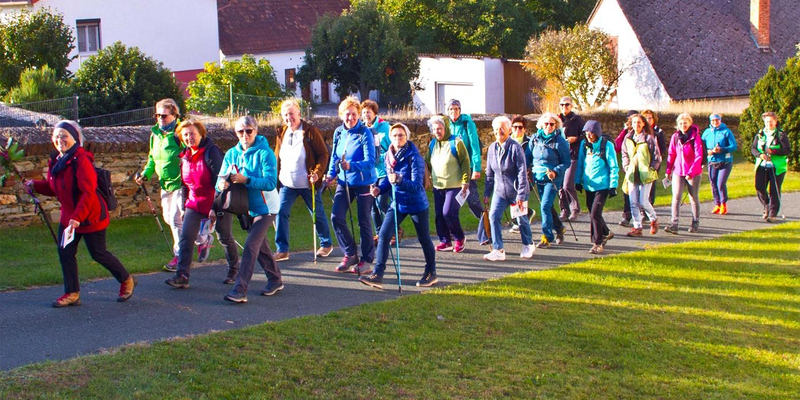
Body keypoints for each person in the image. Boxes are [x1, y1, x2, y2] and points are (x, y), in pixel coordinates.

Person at [27, 120, 135, 307]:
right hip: (69, 217)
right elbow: (55, 188)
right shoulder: (56, 160)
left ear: (75, 138)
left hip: (90, 216)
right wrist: (34, 185)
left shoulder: (81, 159)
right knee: (65, 252)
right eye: (56, 136)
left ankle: (126, 280)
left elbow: (88, 193)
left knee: (98, 253)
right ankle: (72, 293)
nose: (60, 140)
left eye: (64, 136)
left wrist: (77, 218)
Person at [360, 123, 438, 289]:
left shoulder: (414, 157)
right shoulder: (388, 155)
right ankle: (378, 274)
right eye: (394, 135)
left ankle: (431, 273)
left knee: (424, 239)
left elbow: (417, 186)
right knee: (383, 235)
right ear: (390, 137)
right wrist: (379, 189)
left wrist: (400, 180)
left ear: (407, 137)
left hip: (417, 203)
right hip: (398, 203)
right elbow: (389, 180)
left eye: (401, 135)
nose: (397, 138)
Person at [219, 116, 281, 303]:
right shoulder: (231, 153)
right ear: (236, 133)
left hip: (266, 207)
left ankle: (240, 290)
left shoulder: (265, 153)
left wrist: (246, 180)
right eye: (240, 131)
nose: (245, 135)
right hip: (245, 207)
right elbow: (220, 178)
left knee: (251, 245)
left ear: (256, 131)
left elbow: (270, 182)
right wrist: (221, 184)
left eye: (249, 131)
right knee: (261, 247)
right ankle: (275, 279)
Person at [164, 120, 224, 288]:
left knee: (225, 237)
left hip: (213, 202)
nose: (189, 137)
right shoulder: (185, 155)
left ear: (201, 134)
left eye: (192, 134)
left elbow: (220, 182)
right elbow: (185, 184)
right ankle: (182, 276)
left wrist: (215, 207)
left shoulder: (212, 153)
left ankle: (234, 270)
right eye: (185, 135)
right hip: (194, 203)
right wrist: (184, 207)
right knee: (186, 238)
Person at [273, 99, 333, 262]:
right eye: (285, 115)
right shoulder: (281, 132)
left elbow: (323, 154)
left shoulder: (310, 132)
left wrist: (317, 173)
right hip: (287, 183)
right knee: (281, 212)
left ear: (299, 113)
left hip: (308, 183)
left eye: (291, 114)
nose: (289, 117)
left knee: (316, 213)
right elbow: (277, 156)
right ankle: (282, 250)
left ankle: (326, 244)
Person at [326, 96, 377, 274]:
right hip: (344, 181)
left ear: (359, 115)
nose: (351, 118)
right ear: (341, 115)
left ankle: (366, 260)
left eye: (354, 114)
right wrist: (331, 174)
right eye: (347, 114)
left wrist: (351, 166)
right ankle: (350, 253)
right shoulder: (339, 132)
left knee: (364, 221)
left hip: (364, 182)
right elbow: (335, 156)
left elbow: (370, 161)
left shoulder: (365, 132)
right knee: (336, 217)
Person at [135, 98, 184, 271]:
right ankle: (202, 237)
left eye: (164, 115)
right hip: (165, 183)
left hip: (181, 183)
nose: (160, 118)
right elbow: (152, 158)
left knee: (176, 219)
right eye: (157, 115)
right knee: (168, 218)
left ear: (174, 115)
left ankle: (179, 256)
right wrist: (145, 174)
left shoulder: (181, 133)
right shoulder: (155, 134)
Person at [483, 116, 534, 261]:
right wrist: (487, 193)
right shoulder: (492, 148)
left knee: (521, 220)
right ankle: (498, 249)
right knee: (493, 216)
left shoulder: (515, 148)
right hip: (500, 192)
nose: (499, 131)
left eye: (502, 128)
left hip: (516, 191)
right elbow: (489, 173)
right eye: (496, 129)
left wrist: (521, 195)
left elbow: (522, 172)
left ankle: (528, 244)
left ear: (509, 130)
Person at [425, 115, 471, 253]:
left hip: (455, 185)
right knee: (439, 215)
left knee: (448, 212)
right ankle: (445, 241)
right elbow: (427, 162)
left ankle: (459, 238)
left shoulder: (456, 142)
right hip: (438, 186)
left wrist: (465, 181)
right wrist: (426, 177)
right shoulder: (432, 144)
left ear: (446, 128)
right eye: (434, 129)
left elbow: (465, 162)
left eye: (440, 128)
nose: (437, 131)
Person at [446, 99, 487, 244]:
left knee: (473, 202)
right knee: (451, 204)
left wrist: (476, 168)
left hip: (467, 168)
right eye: (451, 109)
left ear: (460, 110)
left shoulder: (467, 123)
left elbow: (475, 146)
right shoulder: (446, 125)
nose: (454, 112)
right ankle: (452, 233)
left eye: (456, 109)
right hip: (452, 170)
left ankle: (487, 229)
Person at [575, 120, 619, 254]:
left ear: (597, 133)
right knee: (593, 213)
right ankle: (606, 232)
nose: (588, 136)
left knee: (595, 213)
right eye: (586, 133)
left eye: (591, 133)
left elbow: (613, 166)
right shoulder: (584, 145)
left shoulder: (607, 146)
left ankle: (597, 242)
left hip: (602, 186)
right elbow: (581, 163)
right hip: (589, 185)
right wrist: (578, 181)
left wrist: (613, 185)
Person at [529, 112, 570, 248]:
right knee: (548, 206)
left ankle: (547, 237)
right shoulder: (535, 139)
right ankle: (559, 228)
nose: (549, 126)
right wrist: (527, 169)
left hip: (553, 179)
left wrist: (555, 171)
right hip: (538, 177)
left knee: (545, 206)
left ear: (556, 126)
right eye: (546, 124)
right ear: (541, 125)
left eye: (552, 124)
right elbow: (528, 156)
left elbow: (566, 162)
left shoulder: (560, 141)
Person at [361, 99, 397, 244]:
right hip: (370, 173)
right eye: (364, 112)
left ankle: (394, 230)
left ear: (375, 113)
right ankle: (380, 234)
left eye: (368, 112)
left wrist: (379, 157)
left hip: (384, 171)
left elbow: (393, 148)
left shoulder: (385, 127)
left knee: (381, 203)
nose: (366, 115)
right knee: (372, 206)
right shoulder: (362, 129)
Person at [620, 113, 661, 236]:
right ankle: (637, 227)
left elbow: (657, 156)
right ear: (631, 124)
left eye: (639, 122)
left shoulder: (648, 138)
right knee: (633, 202)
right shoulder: (628, 138)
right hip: (632, 173)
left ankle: (654, 219)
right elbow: (624, 154)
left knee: (643, 201)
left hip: (645, 174)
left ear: (643, 124)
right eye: (634, 122)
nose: (636, 125)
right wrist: (626, 167)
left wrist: (652, 168)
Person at [664, 113, 703, 234]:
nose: (683, 125)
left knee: (693, 197)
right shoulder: (675, 137)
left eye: (685, 123)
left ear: (690, 123)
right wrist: (668, 170)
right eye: (680, 123)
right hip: (678, 171)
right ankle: (674, 224)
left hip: (693, 172)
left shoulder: (695, 137)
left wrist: (691, 172)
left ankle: (695, 222)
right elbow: (671, 154)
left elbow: (699, 156)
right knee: (676, 197)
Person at [751, 111, 791, 223]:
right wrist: (760, 155)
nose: (769, 124)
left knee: (774, 190)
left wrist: (773, 151)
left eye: (771, 121)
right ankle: (767, 206)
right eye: (767, 122)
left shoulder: (781, 135)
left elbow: (787, 150)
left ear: (775, 121)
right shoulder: (760, 134)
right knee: (759, 187)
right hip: (762, 165)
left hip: (777, 167)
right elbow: (753, 148)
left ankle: (773, 214)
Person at [702, 113, 737, 215]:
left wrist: (722, 149)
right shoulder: (707, 132)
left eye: (717, 120)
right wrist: (707, 151)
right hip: (712, 161)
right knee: (713, 183)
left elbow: (733, 146)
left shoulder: (726, 131)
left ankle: (723, 204)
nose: (715, 122)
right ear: (710, 121)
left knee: (720, 183)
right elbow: (701, 146)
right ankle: (717, 204)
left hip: (725, 161)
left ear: (720, 121)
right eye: (713, 120)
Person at [557, 96, 585, 222]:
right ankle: (564, 210)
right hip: (559, 156)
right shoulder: (556, 120)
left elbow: (585, 135)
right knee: (560, 186)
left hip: (573, 155)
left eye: (567, 104)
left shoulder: (577, 120)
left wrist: (576, 139)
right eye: (562, 105)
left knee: (567, 184)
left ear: (571, 106)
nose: (564, 107)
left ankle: (575, 208)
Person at [508, 115, 533, 234]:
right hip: (510, 175)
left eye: (520, 127)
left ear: (524, 129)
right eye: (515, 127)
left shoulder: (529, 142)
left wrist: (529, 168)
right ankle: (526, 214)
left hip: (525, 174)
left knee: (520, 197)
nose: (517, 130)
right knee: (511, 198)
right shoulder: (507, 141)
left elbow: (532, 157)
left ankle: (520, 225)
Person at [615, 110, 638, 227]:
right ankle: (627, 216)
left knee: (642, 195)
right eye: (632, 122)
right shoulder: (627, 135)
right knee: (627, 192)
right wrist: (624, 131)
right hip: (629, 168)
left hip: (642, 168)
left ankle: (644, 216)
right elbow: (617, 147)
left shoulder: (646, 135)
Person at [641, 110, 667, 209]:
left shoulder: (658, 131)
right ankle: (641, 205)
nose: (648, 120)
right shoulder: (640, 130)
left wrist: (658, 159)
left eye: (650, 118)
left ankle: (649, 205)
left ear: (654, 119)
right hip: (642, 161)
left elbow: (662, 148)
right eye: (646, 118)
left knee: (651, 183)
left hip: (654, 161)